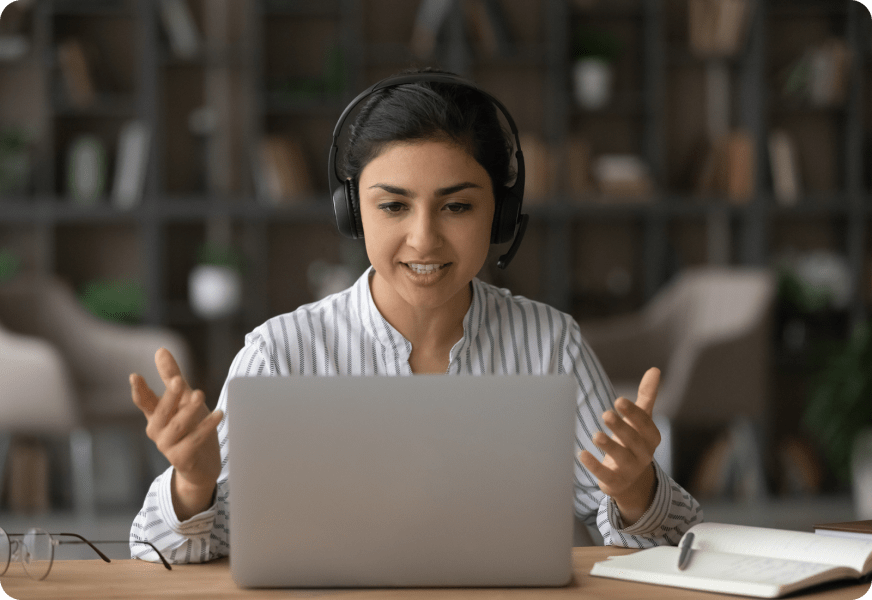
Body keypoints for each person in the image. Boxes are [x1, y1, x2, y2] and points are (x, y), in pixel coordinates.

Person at [129, 69, 702, 565]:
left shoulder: (551, 344)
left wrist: (635, 489)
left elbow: (670, 550)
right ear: (353, 211)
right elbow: (161, 554)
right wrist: (194, 485)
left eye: (457, 205)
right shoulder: (281, 353)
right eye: (393, 205)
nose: (424, 239)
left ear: (500, 217)